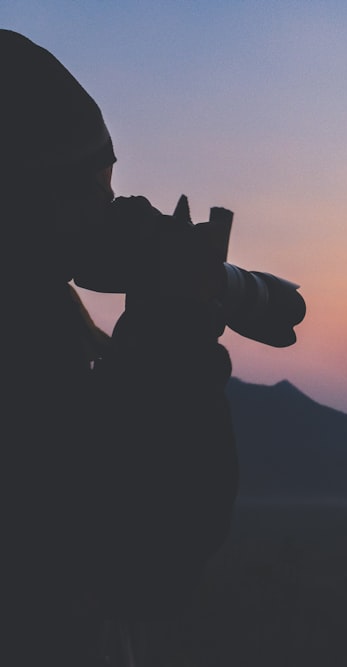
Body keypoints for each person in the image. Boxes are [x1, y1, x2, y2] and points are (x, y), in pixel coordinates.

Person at [1, 30, 238, 665]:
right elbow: (147, 563)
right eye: (86, 185)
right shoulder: (26, 355)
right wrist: (171, 332)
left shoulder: (44, 324)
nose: (114, 207)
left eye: (110, 177)